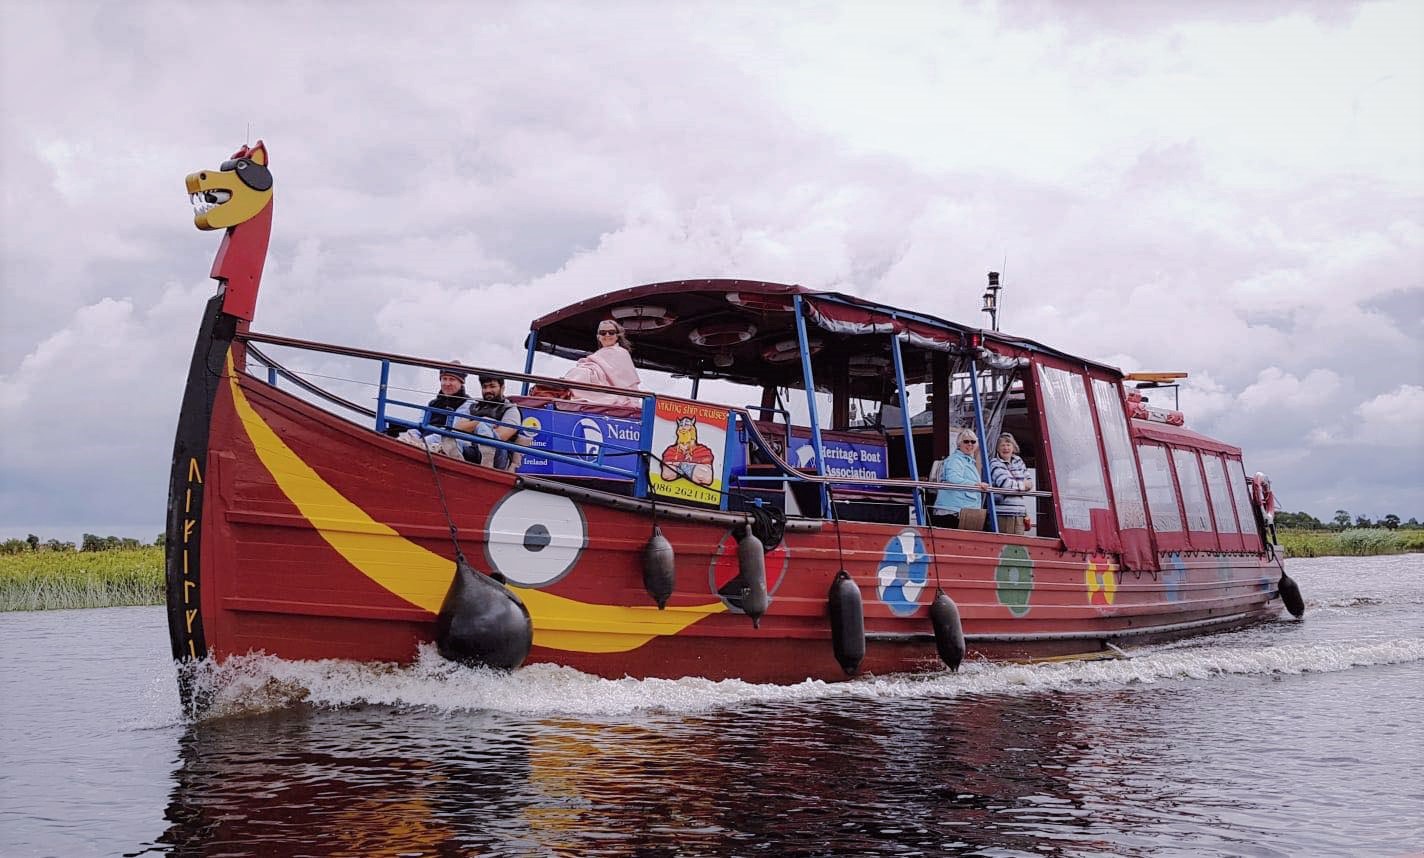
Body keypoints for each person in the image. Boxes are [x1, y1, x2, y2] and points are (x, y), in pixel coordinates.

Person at [394, 363, 472, 458]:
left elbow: (454, 430)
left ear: (461, 382)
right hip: (424, 441)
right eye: (444, 379)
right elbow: (419, 426)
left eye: (452, 379)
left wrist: (422, 442)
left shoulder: (467, 404)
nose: (447, 383)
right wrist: (411, 436)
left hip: (447, 444)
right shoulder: (432, 403)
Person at [560, 319, 642, 406]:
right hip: (599, 387)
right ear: (598, 337)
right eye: (603, 332)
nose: (607, 335)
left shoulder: (622, 353)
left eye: (611, 332)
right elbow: (595, 367)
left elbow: (626, 382)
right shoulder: (599, 354)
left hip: (614, 393)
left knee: (582, 372)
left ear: (617, 336)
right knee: (579, 372)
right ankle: (565, 389)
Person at [455, 374, 526, 471]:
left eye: (492, 386)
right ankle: (454, 462)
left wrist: (476, 426)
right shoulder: (474, 405)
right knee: (446, 434)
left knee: (483, 426)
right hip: (472, 449)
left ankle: (487, 460)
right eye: (485, 387)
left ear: (502, 388)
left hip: (498, 458)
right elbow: (458, 427)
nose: (488, 390)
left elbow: (501, 436)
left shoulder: (511, 409)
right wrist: (482, 420)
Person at [930, 430, 988, 528]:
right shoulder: (955, 459)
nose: (970, 444)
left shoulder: (968, 461)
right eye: (966, 441)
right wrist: (975, 485)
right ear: (959, 444)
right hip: (953, 511)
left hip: (964, 511)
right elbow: (953, 478)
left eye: (973, 441)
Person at [988, 431, 1032, 535]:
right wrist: (1022, 485)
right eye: (1002, 445)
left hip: (1020, 512)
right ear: (998, 449)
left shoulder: (1018, 461)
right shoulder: (994, 463)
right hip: (1003, 513)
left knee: (1019, 546)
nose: (1006, 448)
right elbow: (1005, 484)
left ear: (1013, 447)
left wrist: (1017, 486)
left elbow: (1030, 482)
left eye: (1008, 445)